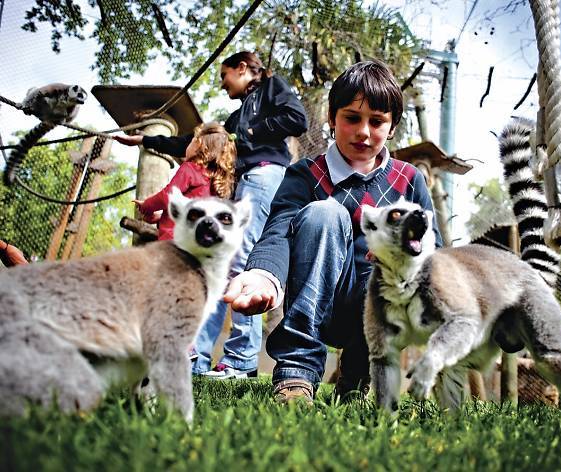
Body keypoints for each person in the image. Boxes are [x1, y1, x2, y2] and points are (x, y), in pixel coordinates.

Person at [222, 61, 443, 403]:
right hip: (315, 301)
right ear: (331, 117)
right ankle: (296, 373)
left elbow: (434, 251)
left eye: (377, 121)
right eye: (352, 118)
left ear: (392, 127)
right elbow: (279, 228)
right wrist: (264, 273)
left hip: (378, 310)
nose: (363, 132)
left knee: (391, 258)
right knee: (325, 212)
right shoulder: (305, 174)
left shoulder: (409, 179)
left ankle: (356, 374)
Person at [116, 51, 308, 378]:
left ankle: (242, 360)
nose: (222, 84)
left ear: (243, 69)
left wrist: (247, 134)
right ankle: (199, 358)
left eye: (224, 75)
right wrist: (145, 139)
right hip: (241, 185)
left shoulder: (271, 88)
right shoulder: (234, 119)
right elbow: (191, 144)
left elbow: (297, 119)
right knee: (220, 267)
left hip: (264, 176)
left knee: (244, 261)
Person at [127, 122, 236, 241]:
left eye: (191, 141)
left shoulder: (190, 168)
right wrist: (160, 217)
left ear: (198, 144)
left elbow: (167, 196)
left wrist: (147, 206)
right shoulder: (217, 183)